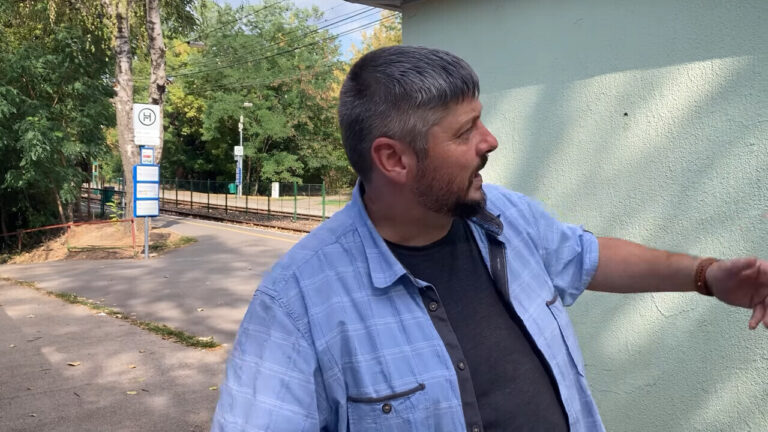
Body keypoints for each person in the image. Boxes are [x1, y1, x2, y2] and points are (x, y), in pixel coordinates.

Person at [211, 46, 768, 432]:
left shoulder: (506, 216)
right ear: (393, 159)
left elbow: (588, 257)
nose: (490, 140)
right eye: (464, 131)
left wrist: (706, 275)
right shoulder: (296, 306)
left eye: (480, 119)